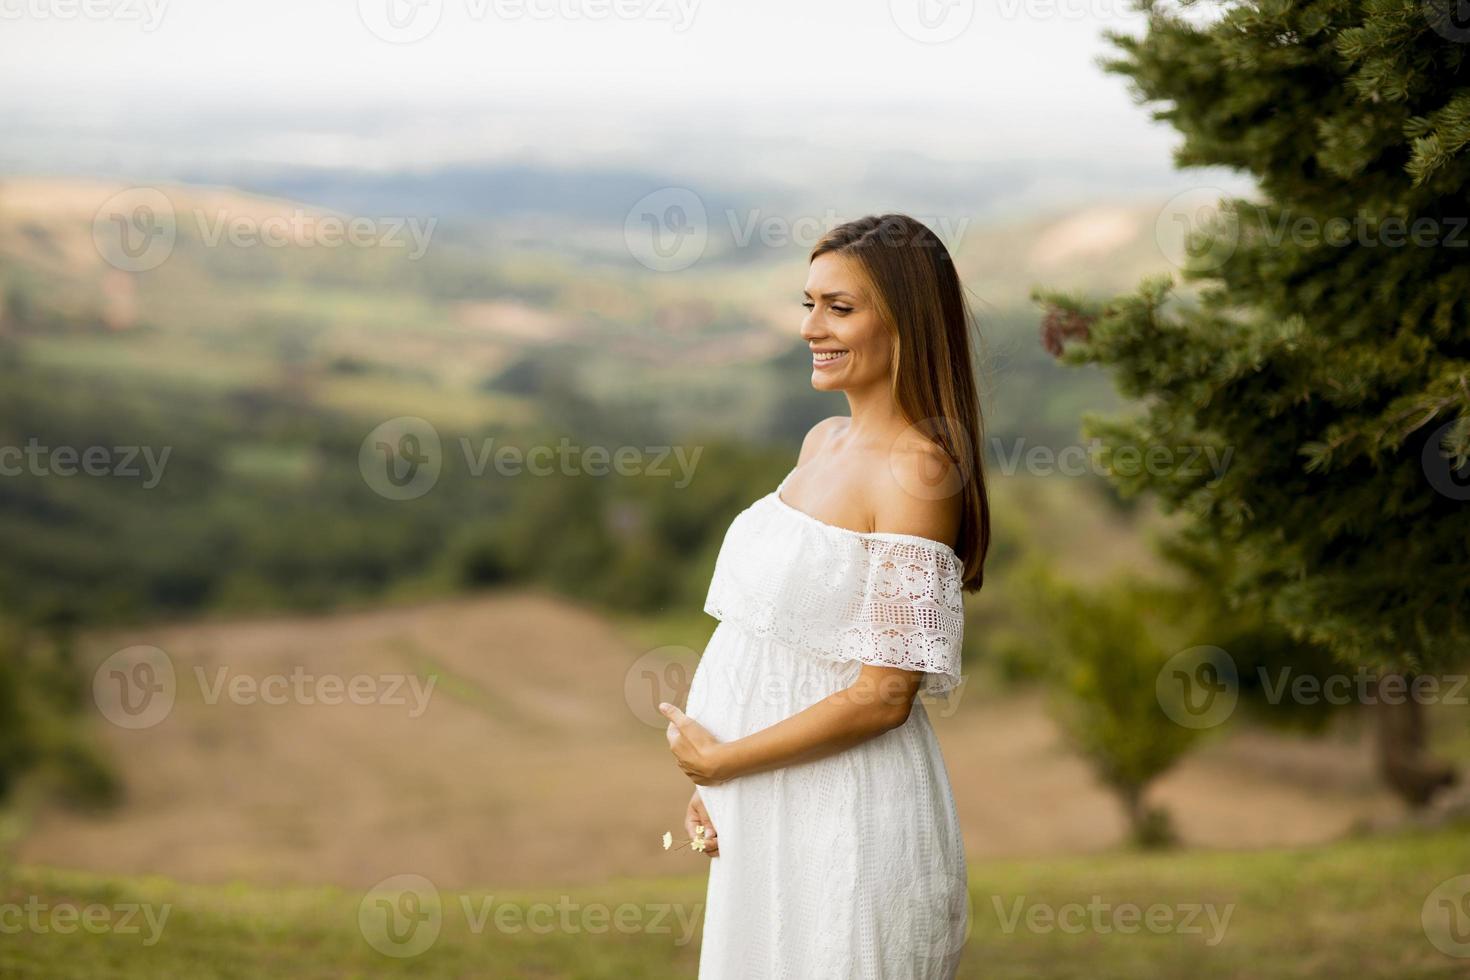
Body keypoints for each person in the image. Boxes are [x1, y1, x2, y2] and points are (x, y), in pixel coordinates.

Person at [661, 213, 992, 979]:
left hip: (846, 818)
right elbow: (772, 642)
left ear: (907, 322)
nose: (813, 327)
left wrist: (726, 761)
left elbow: (884, 695)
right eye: (808, 303)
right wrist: (724, 783)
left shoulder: (918, 472)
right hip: (763, 806)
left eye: (840, 308)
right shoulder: (821, 441)